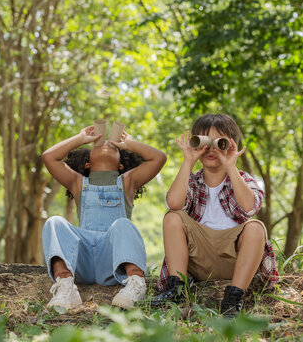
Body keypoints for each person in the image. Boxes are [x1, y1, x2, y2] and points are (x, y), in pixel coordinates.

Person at [151, 113, 280, 316]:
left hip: (235, 259)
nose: (211, 149)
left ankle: (233, 298)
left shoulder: (244, 180)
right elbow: (174, 203)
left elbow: (250, 207)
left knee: (255, 227)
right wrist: (188, 162)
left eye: (219, 142)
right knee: (172, 216)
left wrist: (231, 167)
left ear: (232, 145)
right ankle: (176, 289)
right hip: (198, 259)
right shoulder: (192, 180)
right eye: (204, 142)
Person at [41, 124, 167, 311]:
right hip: (81, 262)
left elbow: (159, 158)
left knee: (123, 224)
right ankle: (66, 287)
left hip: (113, 263)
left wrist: (130, 143)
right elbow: (49, 157)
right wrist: (80, 138)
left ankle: (135, 284)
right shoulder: (77, 183)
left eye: (113, 146)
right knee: (54, 222)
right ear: (87, 164)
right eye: (98, 145)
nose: (106, 144)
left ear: (121, 164)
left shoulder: (127, 182)